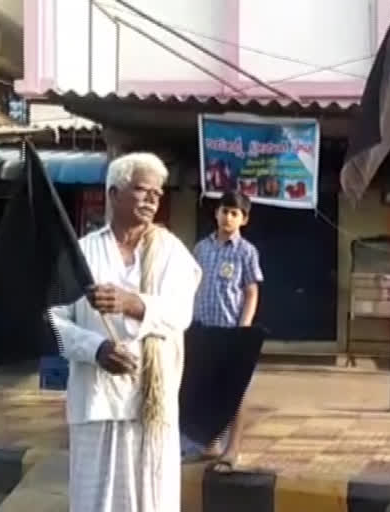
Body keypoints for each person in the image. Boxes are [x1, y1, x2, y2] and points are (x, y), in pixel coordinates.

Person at [51, 153, 202, 512]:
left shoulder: (171, 253)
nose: (152, 198)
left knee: (153, 501)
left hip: (152, 404)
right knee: (95, 501)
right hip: (97, 402)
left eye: (157, 192)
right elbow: (53, 321)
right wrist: (97, 349)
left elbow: (181, 313)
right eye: (142, 190)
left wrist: (131, 303)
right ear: (114, 193)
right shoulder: (82, 253)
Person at [184, 190, 263, 471]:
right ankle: (209, 445)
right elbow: (191, 284)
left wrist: (244, 327)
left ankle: (233, 449)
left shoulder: (246, 252)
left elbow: (251, 291)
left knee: (236, 393)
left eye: (234, 213)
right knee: (205, 390)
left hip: (232, 331)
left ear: (244, 219)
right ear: (216, 213)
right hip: (203, 330)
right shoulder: (201, 248)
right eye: (223, 211)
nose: (227, 217)